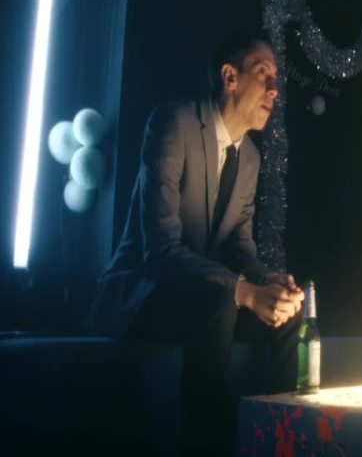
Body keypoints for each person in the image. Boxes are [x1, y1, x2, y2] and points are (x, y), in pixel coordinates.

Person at [87, 29, 304, 455]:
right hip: (146, 292)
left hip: (208, 296)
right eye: (263, 73)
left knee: (289, 314)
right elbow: (161, 251)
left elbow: (240, 248)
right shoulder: (173, 123)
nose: (275, 89)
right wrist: (243, 291)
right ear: (230, 77)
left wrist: (268, 282)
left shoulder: (251, 156)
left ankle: (278, 441)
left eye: (277, 79)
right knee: (220, 303)